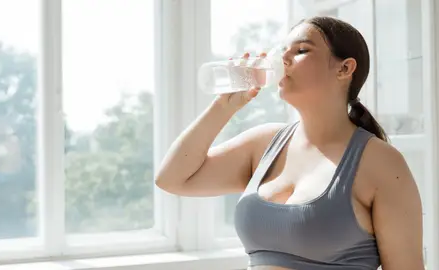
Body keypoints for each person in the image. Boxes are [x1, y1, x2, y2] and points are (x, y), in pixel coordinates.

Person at [155, 16, 424, 270]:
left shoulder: (381, 163)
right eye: (283, 49)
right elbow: (172, 179)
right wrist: (223, 107)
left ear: (344, 68)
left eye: (301, 50)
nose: (283, 58)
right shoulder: (263, 144)